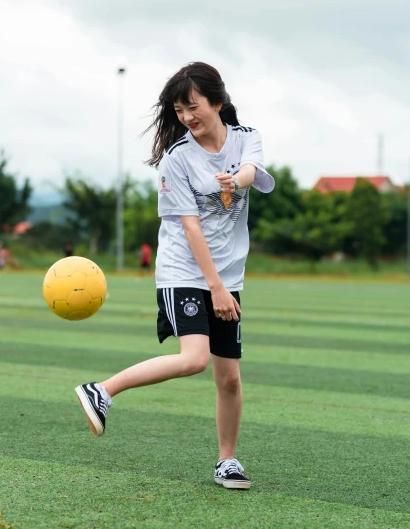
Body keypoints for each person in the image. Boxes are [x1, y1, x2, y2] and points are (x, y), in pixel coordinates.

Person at [75, 62, 275, 490]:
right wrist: (215, 288)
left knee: (230, 377)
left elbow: (252, 171)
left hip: (229, 274)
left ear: (217, 102)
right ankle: (102, 390)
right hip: (184, 271)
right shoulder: (176, 160)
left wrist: (234, 181)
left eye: (192, 106)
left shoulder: (246, 138)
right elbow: (190, 227)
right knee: (196, 359)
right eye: (179, 110)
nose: (186, 117)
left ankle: (227, 462)